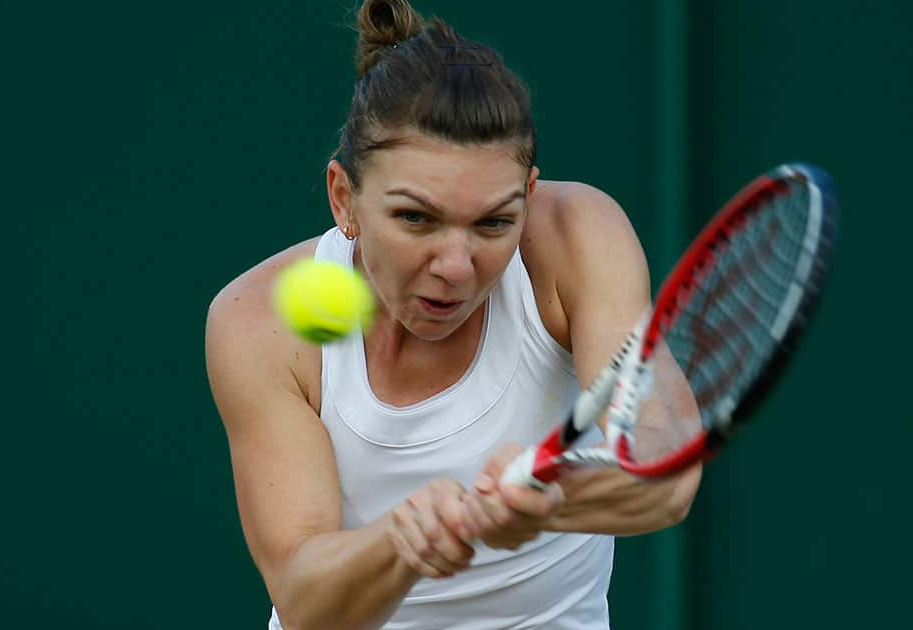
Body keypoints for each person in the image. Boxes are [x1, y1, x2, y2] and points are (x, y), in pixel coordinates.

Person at [205, 1, 701, 627]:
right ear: (344, 199)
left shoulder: (577, 237)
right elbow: (307, 604)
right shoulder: (257, 321)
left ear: (528, 196)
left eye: (494, 222)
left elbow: (668, 473)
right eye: (416, 218)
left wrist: (547, 500)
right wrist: (400, 542)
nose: (457, 267)